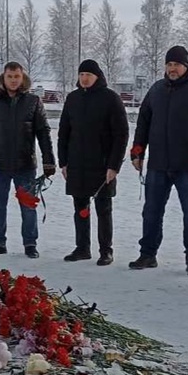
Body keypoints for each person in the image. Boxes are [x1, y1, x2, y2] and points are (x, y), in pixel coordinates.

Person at [128, 45, 188, 276]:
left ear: (185, 65)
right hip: (158, 162)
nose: (172, 68)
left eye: (176, 64)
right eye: (168, 64)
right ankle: (148, 254)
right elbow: (144, 121)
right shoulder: (157, 89)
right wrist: (138, 151)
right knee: (151, 211)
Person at [0, 61, 55, 259]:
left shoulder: (33, 101)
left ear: (22, 77)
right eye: (10, 76)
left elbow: (43, 132)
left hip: (25, 165)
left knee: (28, 207)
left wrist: (49, 160)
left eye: (17, 76)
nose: (13, 80)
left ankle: (30, 243)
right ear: (4, 77)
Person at [58, 59, 129, 266]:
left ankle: (106, 250)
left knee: (103, 208)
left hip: (103, 164)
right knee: (80, 206)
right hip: (77, 163)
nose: (85, 78)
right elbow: (63, 133)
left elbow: (121, 134)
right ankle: (82, 248)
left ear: (97, 77)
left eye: (88, 75)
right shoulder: (73, 98)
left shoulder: (110, 99)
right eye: (81, 75)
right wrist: (63, 162)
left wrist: (114, 165)